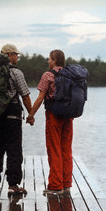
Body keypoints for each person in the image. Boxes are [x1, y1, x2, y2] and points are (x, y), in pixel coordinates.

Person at [0, 43, 33, 196]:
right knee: (14, 149)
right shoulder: (16, 73)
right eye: (15, 55)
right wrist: (31, 114)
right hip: (12, 116)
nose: (17, 57)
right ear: (9, 55)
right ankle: (13, 185)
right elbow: (25, 95)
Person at [27, 49, 73, 196]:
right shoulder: (70, 74)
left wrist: (31, 114)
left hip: (54, 115)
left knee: (54, 149)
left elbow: (40, 98)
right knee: (66, 148)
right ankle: (66, 184)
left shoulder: (48, 75)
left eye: (49, 59)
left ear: (54, 60)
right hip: (69, 115)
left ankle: (55, 185)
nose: (48, 61)